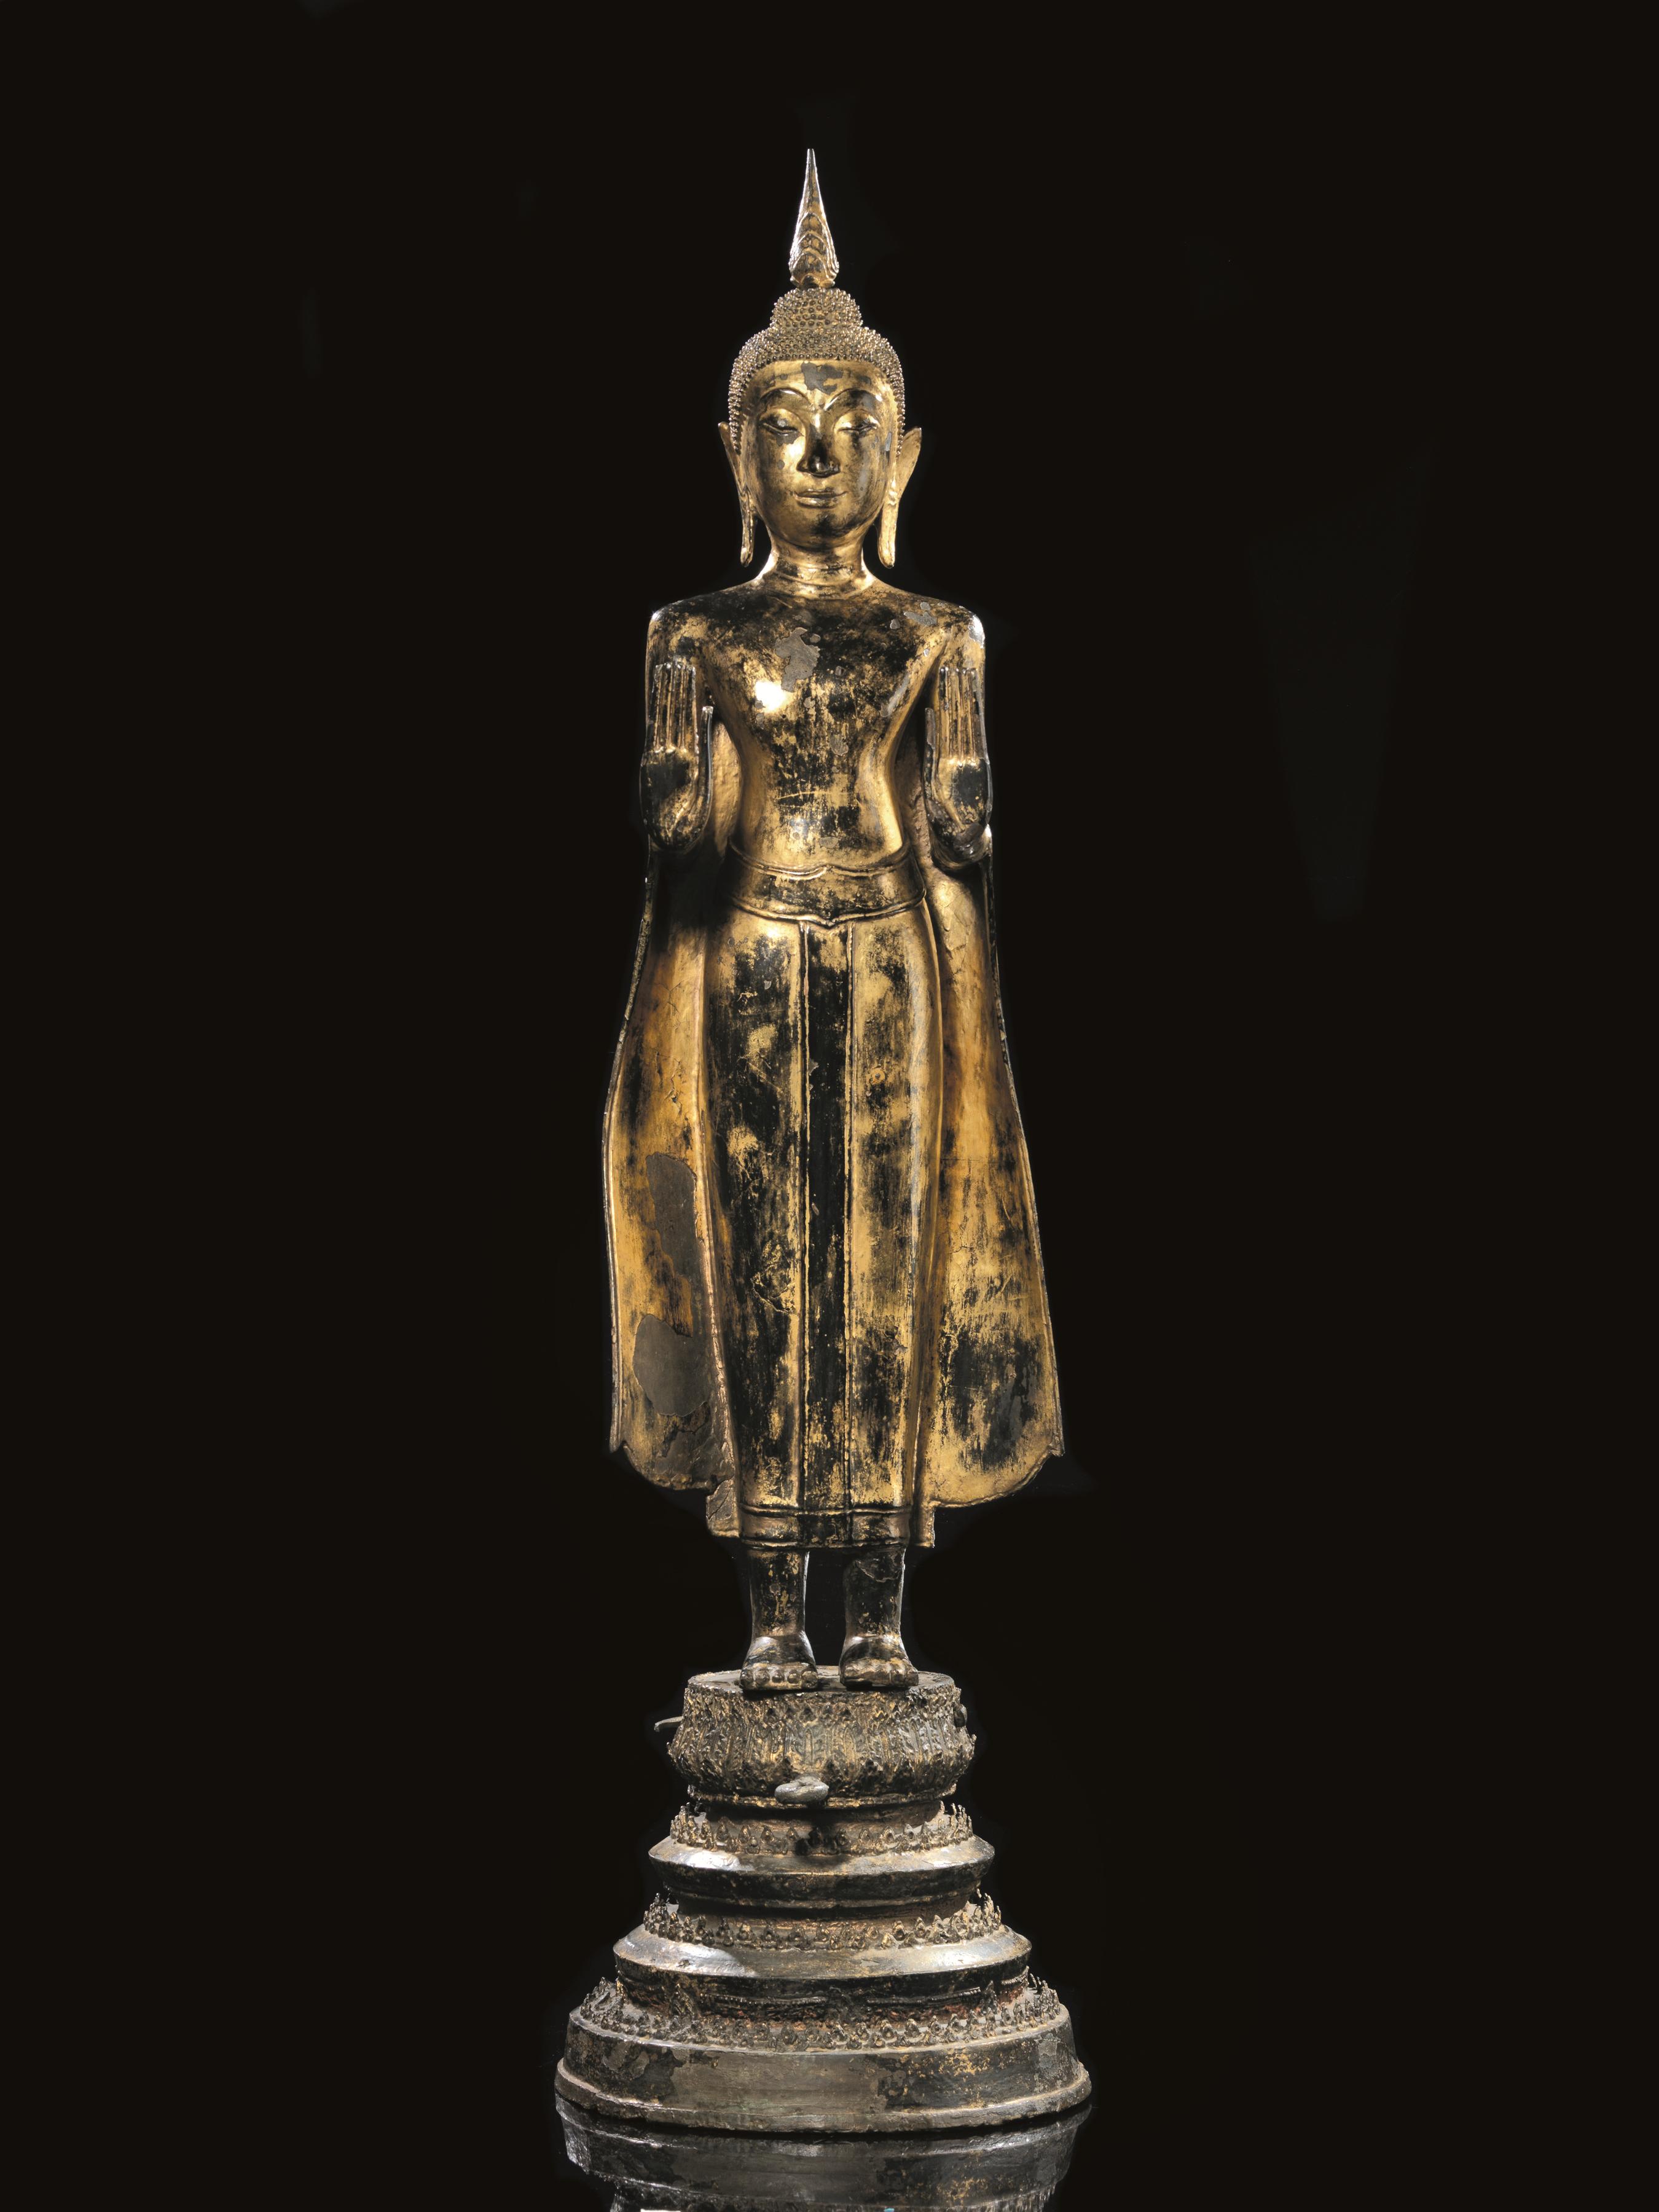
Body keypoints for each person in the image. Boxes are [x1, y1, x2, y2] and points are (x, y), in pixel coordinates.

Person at [605, 156, 1062, 1692]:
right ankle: (772, 1615)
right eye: (785, 424)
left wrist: (967, 810)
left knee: (887, 1267)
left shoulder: (937, 634)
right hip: (749, 953)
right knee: (763, 1270)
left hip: (891, 967)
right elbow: (681, 833)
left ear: (905, 457)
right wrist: (671, 802)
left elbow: (959, 817)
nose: (816, 453)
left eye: (851, 422)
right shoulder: (694, 635)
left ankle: (877, 1609)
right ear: (735, 455)